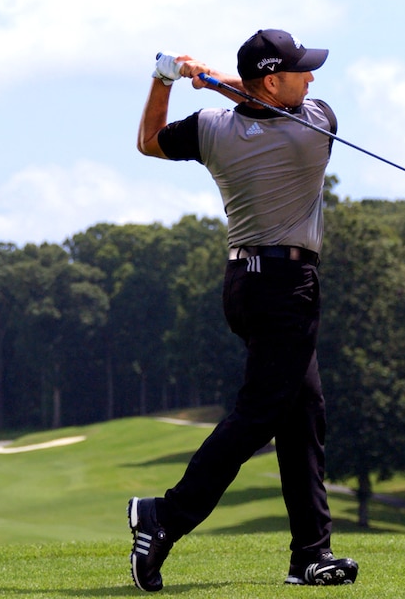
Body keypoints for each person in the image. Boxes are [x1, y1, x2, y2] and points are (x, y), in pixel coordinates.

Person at [127, 29, 358, 592]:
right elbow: (261, 100)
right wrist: (215, 78)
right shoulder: (314, 127)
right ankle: (164, 517)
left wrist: (168, 80)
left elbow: (150, 140)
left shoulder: (211, 129)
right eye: (301, 70)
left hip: (244, 283)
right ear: (274, 81)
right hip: (288, 287)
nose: (312, 78)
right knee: (258, 415)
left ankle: (311, 554)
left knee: (302, 413)